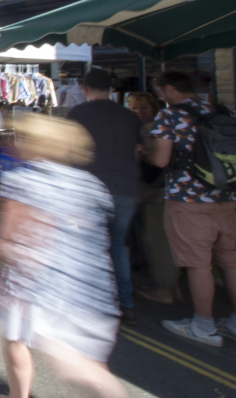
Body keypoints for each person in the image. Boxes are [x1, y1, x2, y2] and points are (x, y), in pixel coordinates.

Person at [0, 113, 126, 398]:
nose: (14, 142)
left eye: (20, 137)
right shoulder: (89, 184)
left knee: (31, 347)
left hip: (38, 288)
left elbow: (10, 238)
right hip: (90, 287)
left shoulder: (23, 181)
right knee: (85, 363)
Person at [148, 70, 236, 347]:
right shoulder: (223, 111)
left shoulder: (169, 116)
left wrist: (145, 152)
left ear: (171, 89)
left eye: (159, 92)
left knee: (198, 264)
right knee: (231, 262)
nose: (158, 96)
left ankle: (203, 325)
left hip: (188, 200)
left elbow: (161, 160)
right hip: (228, 197)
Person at [66, 68, 142, 326]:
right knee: (117, 245)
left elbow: (69, 152)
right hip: (126, 186)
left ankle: (96, 305)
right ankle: (125, 304)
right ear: (111, 89)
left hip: (92, 186)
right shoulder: (130, 116)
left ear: (84, 89)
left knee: (91, 246)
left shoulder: (78, 113)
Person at [129, 92, 181, 306]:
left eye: (144, 108)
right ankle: (173, 286)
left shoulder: (154, 130)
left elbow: (159, 162)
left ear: (155, 109)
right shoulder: (148, 128)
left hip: (155, 190)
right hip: (157, 190)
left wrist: (141, 153)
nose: (140, 113)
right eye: (135, 108)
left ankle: (165, 288)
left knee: (156, 238)